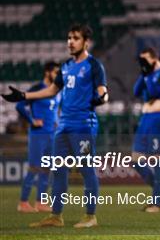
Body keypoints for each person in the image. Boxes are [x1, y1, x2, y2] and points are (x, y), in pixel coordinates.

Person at [2, 23, 109, 228]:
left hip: (83, 125)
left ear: (86, 42)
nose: (70, 41)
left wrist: (102, 98)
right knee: (58, 169)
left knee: (86, 169)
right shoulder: (66, 66)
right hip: (63, 127)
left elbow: (103, 91)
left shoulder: (94, 65)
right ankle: (56, 215)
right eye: (69, 37)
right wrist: (24, 96)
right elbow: (52, 90)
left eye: (75, 38)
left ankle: (90, 216)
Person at [132, 47, 160, 213]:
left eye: (145, 60)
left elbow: (154, 92)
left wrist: (147, 75)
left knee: (157, 160)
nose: (142, 63)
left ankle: (156, 203)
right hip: (145, 119)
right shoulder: (147, 74)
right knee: (135, 160)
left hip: (158, 118)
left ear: (154, 58)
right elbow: (136, 92)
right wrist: (144, 73)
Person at [15, 61, 61, 213]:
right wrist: (31, 121)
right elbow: (19, 106)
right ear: (47, 72)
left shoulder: (57, 90)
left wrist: (57, 122)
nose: (58, 75)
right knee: (34, 167)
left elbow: (54, 110)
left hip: (52, 135)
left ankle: (40, 202)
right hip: (38, 135)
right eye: (55, 72)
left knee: (47, 169)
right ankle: (23, 202)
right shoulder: (36, 89)